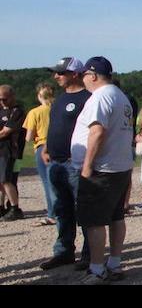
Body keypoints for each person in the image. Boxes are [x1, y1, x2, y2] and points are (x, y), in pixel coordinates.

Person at [71, 57, 135, 283]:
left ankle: (97, 269)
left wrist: (87, 167)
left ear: (94, 75)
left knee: (95, 221)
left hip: (102, 169)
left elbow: (97, 132)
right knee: (116, 217)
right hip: (120, 166)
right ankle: (114, 263)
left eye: (85, 75)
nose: (84, 80)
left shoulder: (100, 96)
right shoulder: (120, 96)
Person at [39, 57, 92, 271]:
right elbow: (55, 126)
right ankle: (64, 251)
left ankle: (90, 253)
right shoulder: (60, 99)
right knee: (62, 209)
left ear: (75, 74)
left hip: (75, 163)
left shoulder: (88, 98)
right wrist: (46, 146)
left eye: (61, 73)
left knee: (84, 209)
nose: (56, 76)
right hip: (56, 162)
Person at [24, 84, 57, 225]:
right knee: (58, 181)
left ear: (39, 96)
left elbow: (29, 136)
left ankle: (52, 213)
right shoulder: (56, 109)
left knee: (47, 182)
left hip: (42, 146)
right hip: (58, 146)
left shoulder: (34, 112)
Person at [0, 86, 27, 221]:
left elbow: (6, 131)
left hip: (10, 151)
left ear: (12, 96)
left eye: (4, 99)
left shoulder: (17, 112)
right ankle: (2, 207)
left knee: (7, 180)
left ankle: (15, 208)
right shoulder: (1, 110)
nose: (2, 102)